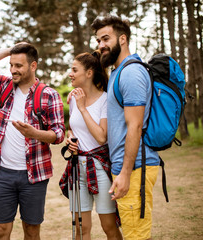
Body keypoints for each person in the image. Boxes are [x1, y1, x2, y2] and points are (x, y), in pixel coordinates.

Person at [0, 42, 65, 240]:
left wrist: (35, 134)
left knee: (31, 232)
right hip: (3, 174)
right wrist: (9, 51)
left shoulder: (49, 95)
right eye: (11, 65)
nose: (13, 70)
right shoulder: (4, 87)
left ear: (33, 66)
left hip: (34, 177)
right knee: (1, 231)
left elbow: (59, 134)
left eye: (19, 66)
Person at [91, 15, 160, 240]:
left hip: (135, 167)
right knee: (133, 233)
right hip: (126, 165)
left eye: (106, 38)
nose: (101, 45)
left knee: (136, 236)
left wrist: (125, 173)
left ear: (122, 39)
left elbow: (135, 126)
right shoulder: (117, 72)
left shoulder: (131, 73)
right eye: (98, 40)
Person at [60, 51, 122, 240]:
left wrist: (82, 108)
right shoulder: (74, 99)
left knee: (108, 226)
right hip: (76, 168)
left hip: (100, 168)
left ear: (89, 73)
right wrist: (70, 139)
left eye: (74, 70)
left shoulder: (105, 100)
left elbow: (101, 137)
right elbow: (73, 129)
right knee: (81, 228)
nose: (70, 73)